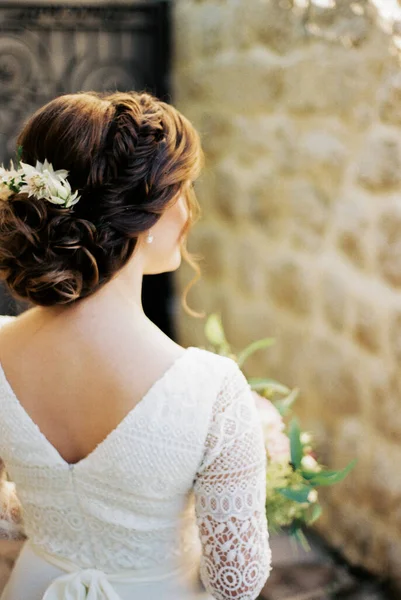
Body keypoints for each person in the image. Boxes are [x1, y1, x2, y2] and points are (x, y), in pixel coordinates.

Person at [0, 91, 271, 600]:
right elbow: (235, 582)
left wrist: (54, 513)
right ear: (149, 215)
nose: (190, 212)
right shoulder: (210, 391)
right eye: (183, 192)